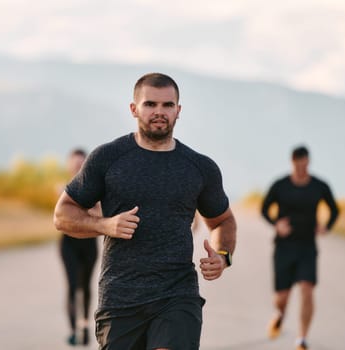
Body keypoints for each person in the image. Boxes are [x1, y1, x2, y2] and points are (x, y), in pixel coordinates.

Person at [53, 72, 237, 350]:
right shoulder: (107, 158)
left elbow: (222, 220)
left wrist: (223, 256)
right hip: (120, 298)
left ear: (178, 111)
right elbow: (62, 215)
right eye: (150, 104)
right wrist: (105, 225)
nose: (159, 112)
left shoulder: (200, 167)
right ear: (134, 109)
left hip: (177, 295)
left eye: (167, 105)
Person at [261, 146, 339, 350]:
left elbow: (334, 209)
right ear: (292, 162)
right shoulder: (280, 185)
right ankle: (279, 314)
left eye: (304, 164)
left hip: (307, 247)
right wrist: (276, 224)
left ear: (308, 162)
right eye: (298, 164)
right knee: (282, 297)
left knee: (307, 289)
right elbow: (264, 208)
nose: (301, 168)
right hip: (284, 247)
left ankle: (301, 339)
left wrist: (326, 226)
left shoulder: (319, 186)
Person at [59, 149, 99, 346]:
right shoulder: (62, 190)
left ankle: (84, 327)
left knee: (86, 285)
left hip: (89, 243)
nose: (76, 167)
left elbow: (99, 214)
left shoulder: (96, 190)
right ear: (68, 165)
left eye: (80, 164)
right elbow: (60, 217)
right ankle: (74, 330)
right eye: (74, 163)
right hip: (69, 244)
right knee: (73, 285)